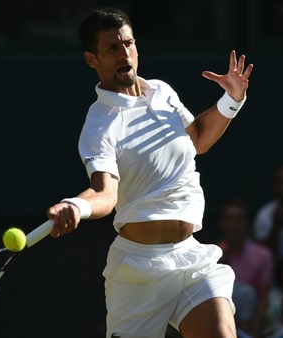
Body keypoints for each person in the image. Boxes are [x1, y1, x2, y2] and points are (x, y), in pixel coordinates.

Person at [45, 7, 253, 338]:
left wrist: (231, 100)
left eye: (128, 43)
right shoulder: (99, 125)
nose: (124, 52)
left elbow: (197, 137)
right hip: (138, 273)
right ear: (91, 59)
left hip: (191, 260)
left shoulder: (162, 92)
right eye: (112, 47)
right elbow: (105, 193)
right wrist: (76, 206)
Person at [216, 197, 273, 337]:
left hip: (249, 322)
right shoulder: (213, 253)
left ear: (247, 222)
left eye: (239, 219)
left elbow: (263, 298)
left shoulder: (262, 255)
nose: (234, 224)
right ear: (222, 223)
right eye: (229, 219)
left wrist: (251, 334)